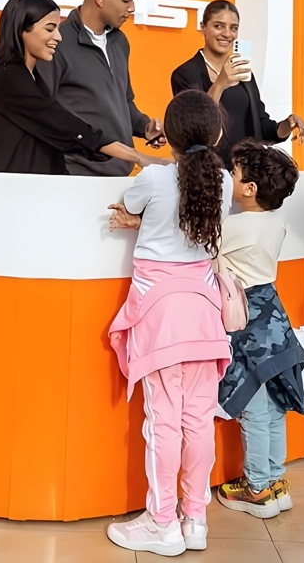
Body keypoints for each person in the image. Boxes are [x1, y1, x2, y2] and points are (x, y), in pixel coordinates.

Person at [104, 90, 232, 557]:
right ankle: (194, 519)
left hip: (161, 320)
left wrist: (139, 223)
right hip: (205, 317)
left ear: (169, 136)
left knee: (163, 424)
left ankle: (162, 524)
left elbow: (132, 203)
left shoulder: (154, 178)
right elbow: (188, 221)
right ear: (217, 134)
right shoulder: (223, 181)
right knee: (199, 422)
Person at [214, 141, 304, 520]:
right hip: (273, 314)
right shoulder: (275, 220)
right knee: (272, 407)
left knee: (252, 407)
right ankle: (273, 480)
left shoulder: (236, 226)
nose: (228, 178)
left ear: (250, 188)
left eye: (233, 173)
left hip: (247, 322)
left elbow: (196, 241)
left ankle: (256, 490)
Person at [0, 0, 152, 174]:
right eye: (49, 29)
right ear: (21, 29)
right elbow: (64, 125)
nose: (58, 37)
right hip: (6, 187)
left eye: (58, 29)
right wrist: (139, 158)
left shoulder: (34, 79)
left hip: (36, 185)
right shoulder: (8, 78)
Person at [35, 0, 162, 176]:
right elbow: (45, 113)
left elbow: (123, 102)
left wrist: (144, 127)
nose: (132, 8)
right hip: (75, 174)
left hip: (120, 173)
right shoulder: (58, 42)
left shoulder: (120, 42)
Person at [170, 0, 304, 165]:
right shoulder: (185, 74)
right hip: (209, 170)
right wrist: (220, 83)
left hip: (247, 170)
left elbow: (262, 127)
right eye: (218, 26)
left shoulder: (243, 72)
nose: (227, 34)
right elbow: (194, 127)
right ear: (203, 27)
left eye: (233, 28)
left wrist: (288, 124)